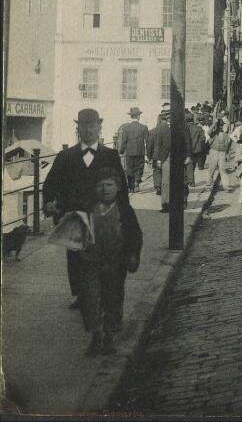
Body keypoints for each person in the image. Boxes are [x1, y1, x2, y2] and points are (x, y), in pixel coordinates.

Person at [42, 108, 129, 309]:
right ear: (78, 128)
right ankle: (82, 295)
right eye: (84, 126)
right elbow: (50, 183)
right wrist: (49, 203)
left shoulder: (111, 155)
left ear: (99, 127)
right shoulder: (66, 156)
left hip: (103, 216)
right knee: (76, 259)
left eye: (92, 126)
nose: (88, 130)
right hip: (74, 217)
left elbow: (121, 186)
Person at [79, 166, 142, 355]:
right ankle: (95, 336)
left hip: (115, 264)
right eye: (100, 185)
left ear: (118, 187)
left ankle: (108, 336)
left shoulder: (125, 210)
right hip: (91, 263)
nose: (104, 189)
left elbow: (134, 235)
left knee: (112, 300)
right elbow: (77, 232)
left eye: (109, 185)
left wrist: (133, 254)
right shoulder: (88, 209)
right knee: (90, 299)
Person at [117, 107, 148, 193]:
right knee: (139, 167)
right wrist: (148, 154)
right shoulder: (144, 127)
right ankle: (137, 182)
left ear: (131, 116)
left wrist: (121, 152)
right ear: (138, 116)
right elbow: (147, 141)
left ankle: (130, 187)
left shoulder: (126, 128)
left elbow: (123, 142)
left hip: (129, 152)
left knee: (129, 168)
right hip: (140, 151)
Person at [205, 117, 234, 192]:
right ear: (217, 125)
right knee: (212, 168)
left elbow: (227, 145)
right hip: (213, 151)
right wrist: (214, 123)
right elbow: (208, 132)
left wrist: (227, 154)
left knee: (223, 169)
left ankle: (226, 186)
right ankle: (209, 184)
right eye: (219, 125)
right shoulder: (213, 133)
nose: (221, 126)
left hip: (222, 152)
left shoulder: (225, 134)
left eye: (222, 125)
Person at [148, 110, 171, 204]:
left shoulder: (153, 130)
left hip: (172, 157)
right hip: (164, 157)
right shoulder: (161, 128)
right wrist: (158, 158)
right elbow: (157, 144)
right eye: (168, 117)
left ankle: (158, 187)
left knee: (158, 173)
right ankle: (165, 203)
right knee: (166, 181)